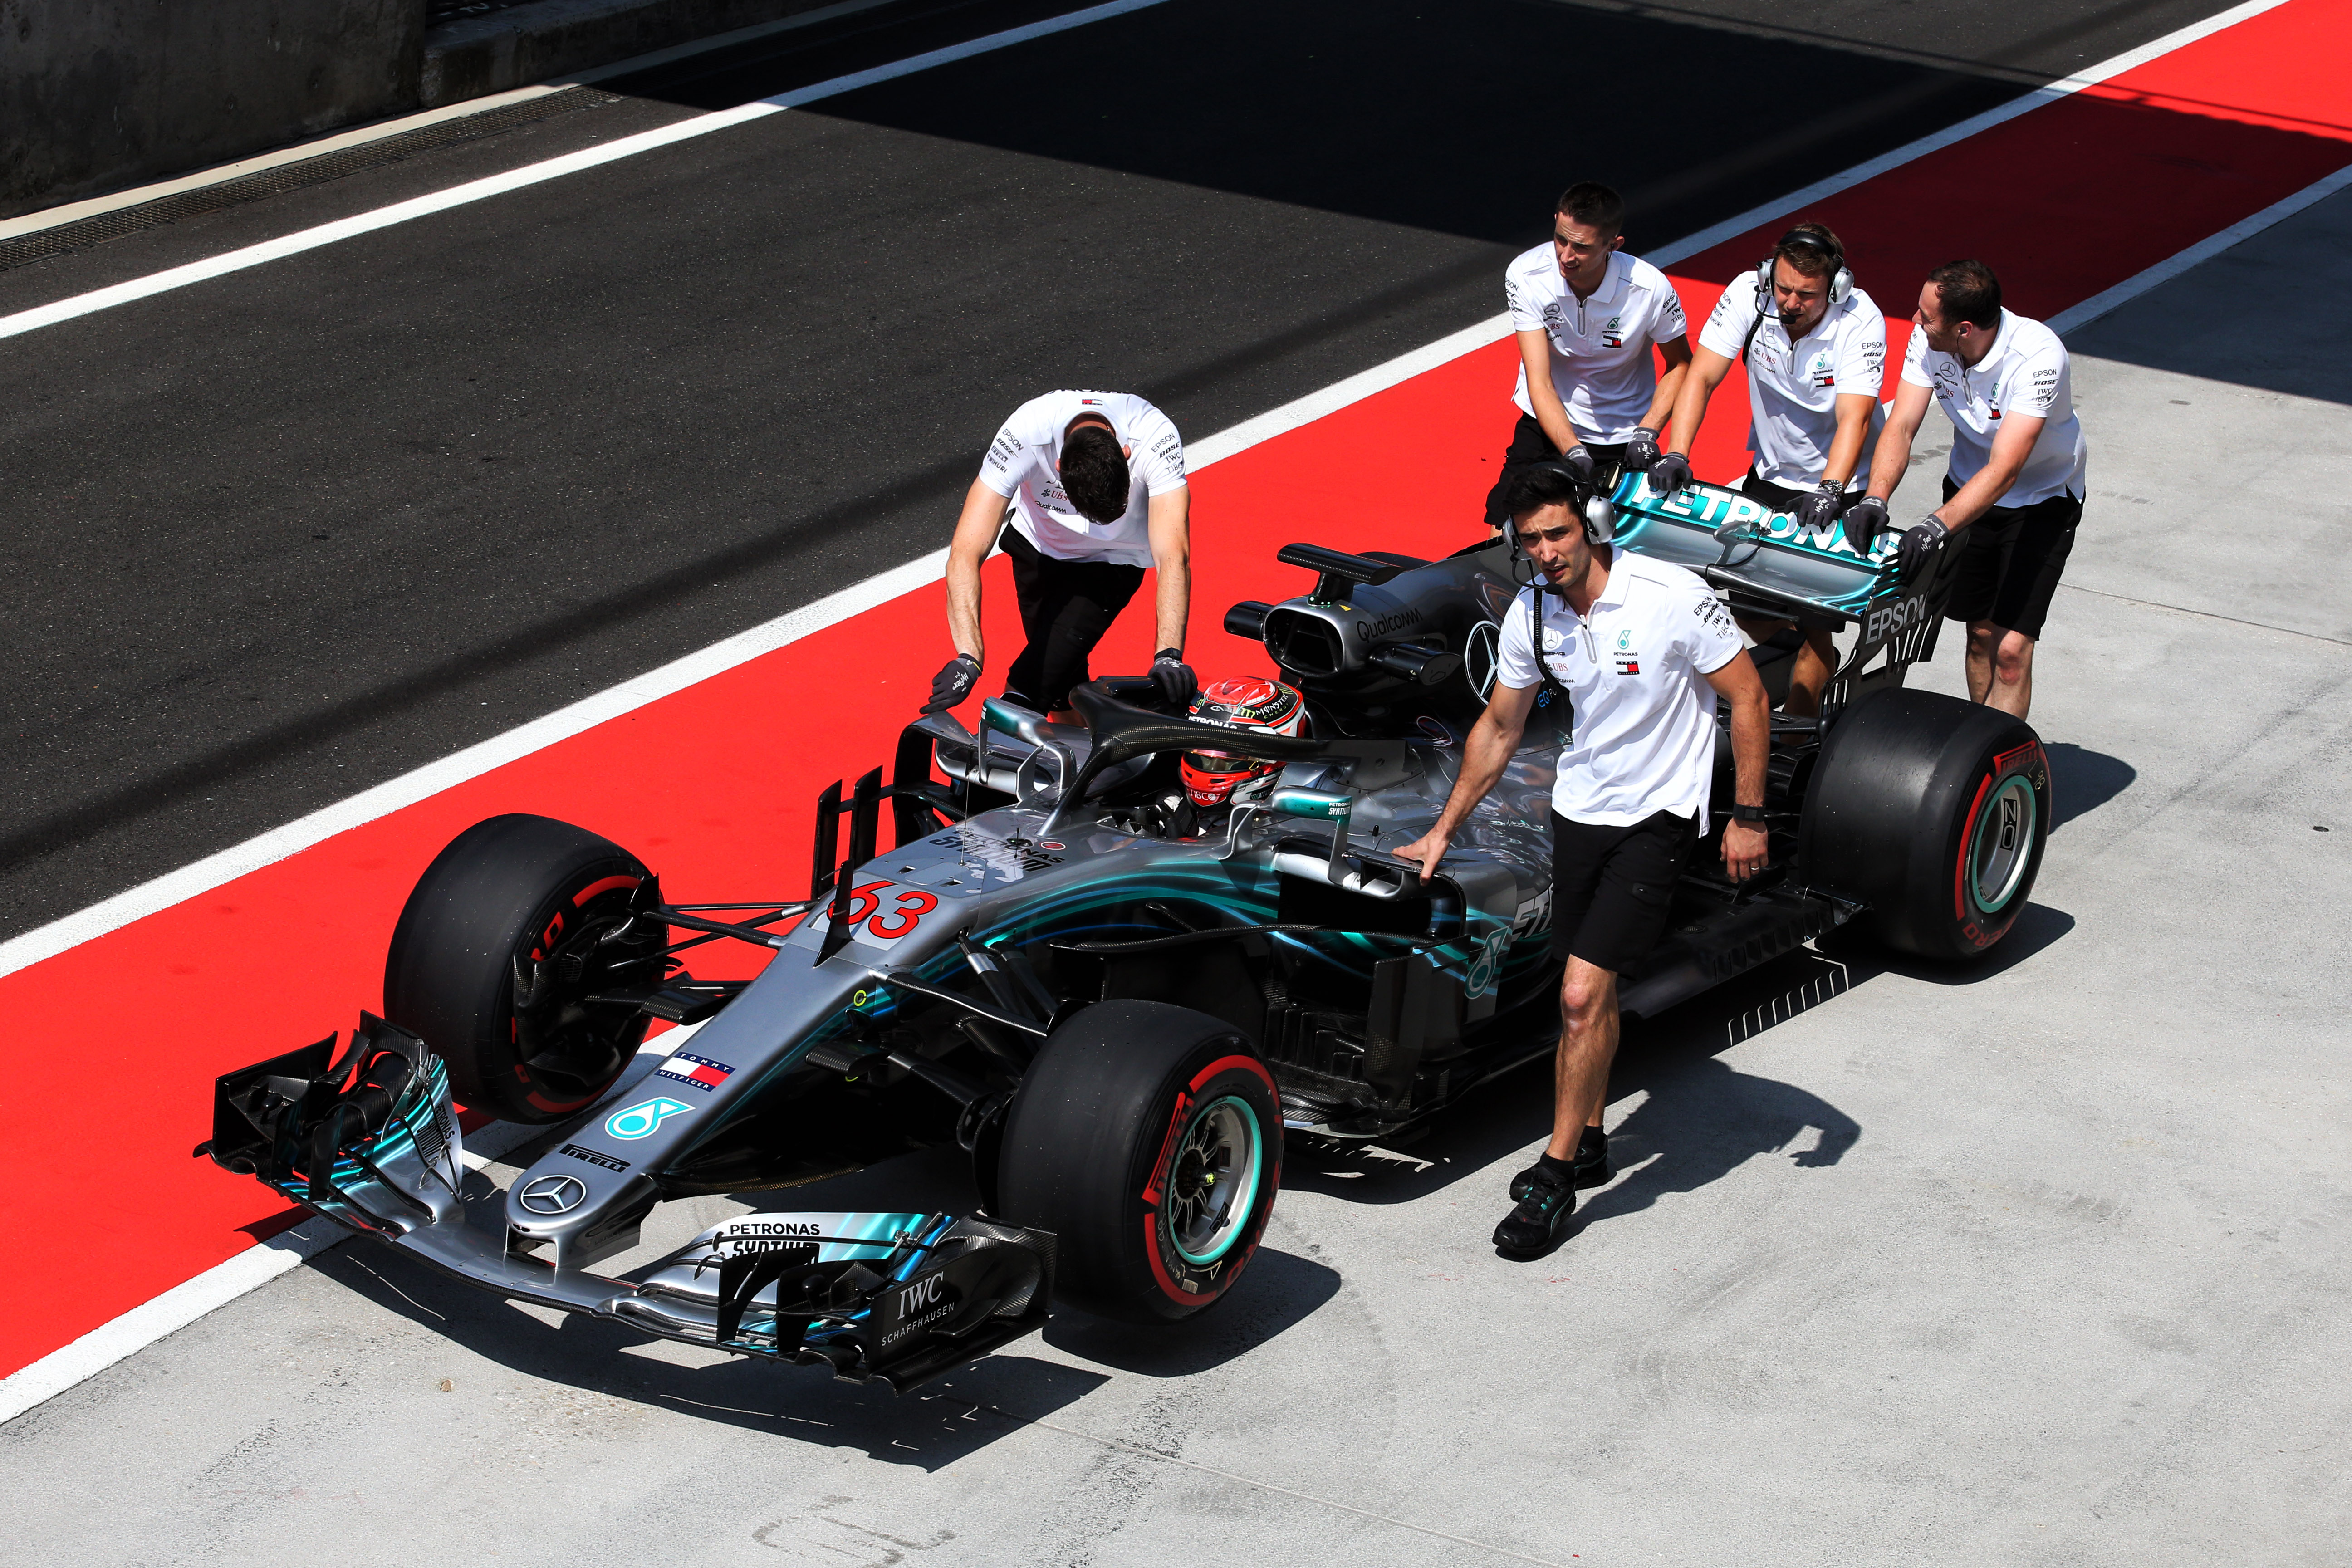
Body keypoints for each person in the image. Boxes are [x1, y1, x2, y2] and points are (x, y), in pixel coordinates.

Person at [1397, 464, 1771, 1258]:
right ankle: (1594, 1135)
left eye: (1557, 533)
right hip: (1581, 812)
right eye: (1529, 539)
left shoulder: (1668, 597)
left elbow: (1748, 696)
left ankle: (1556, 1175)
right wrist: (1441, 830)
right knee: (1582, 990)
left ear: (1590, 525)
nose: (1545, 551)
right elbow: (1497, 730)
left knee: (1575, 996)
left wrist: (1745, 815)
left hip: (1658, 819)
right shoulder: (1531, 615)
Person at [1652, 223, 1888, 715]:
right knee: (1749, 609)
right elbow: (1702, 376)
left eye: (1806, 294)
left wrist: (1831, 489)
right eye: (1783, 288)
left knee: (1815, 617)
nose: (1790, 302)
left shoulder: (1860, 318)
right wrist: (1677, 452)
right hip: (1770, 474)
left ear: (1836, 289)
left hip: (1837, 484)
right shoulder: (1749, 294)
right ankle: (1810, 650)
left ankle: (1799, 719)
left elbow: (1856, 416)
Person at [1852, 260, 2087, 718]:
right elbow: (1901, 426)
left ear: (1963, 329)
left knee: (2011, 652)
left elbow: (2005, 470)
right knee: (1980, 634)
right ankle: (1978, 752)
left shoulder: (2037, 357)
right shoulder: (1929, 342)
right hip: (1967, 491)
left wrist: (1934, 527)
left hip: (2043, 501)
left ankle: (1999, 763)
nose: (1915, 321)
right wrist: (1875, 497)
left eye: (1926, 315)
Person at [924, 389, 1197, 722]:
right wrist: (969, 656)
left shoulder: (1154, 437)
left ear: (1127, 454)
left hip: (1114, 562)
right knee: (1061, 692)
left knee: (1030, 685)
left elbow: (1174, 556)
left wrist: (1168, 655)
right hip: (1037, 553)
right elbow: (965, 552)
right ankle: (1090, 767)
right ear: (1058, 466)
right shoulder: (1025, 432)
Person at [1482, 181, 1692, 534]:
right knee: (1506, 531)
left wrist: (1648, 432)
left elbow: (1682, 365)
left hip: (1624, 436)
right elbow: (1539, 379)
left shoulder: (1650, 287)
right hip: (1549, 425)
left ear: (1613, 245)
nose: (1565, 256)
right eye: (1560, 239)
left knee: (1605, 545)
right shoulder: (1526, 274)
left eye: (1581, 247)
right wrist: (1573, 451)